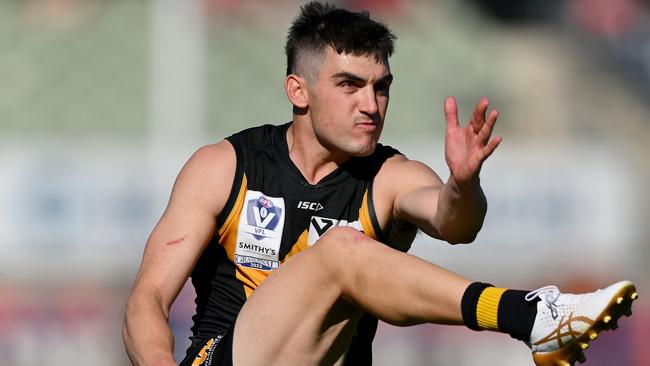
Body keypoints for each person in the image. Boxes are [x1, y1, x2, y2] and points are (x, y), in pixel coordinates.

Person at [122, 2, 638, 366]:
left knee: (344, 251)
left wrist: (462, 183)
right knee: (343, 249)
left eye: (381, 87)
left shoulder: (390, 176)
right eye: (349, 85)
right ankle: (528, 316)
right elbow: (147, 297)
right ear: (297, 91)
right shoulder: (224, 166)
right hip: (226, 359)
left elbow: (454, 224)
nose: (371, 105)